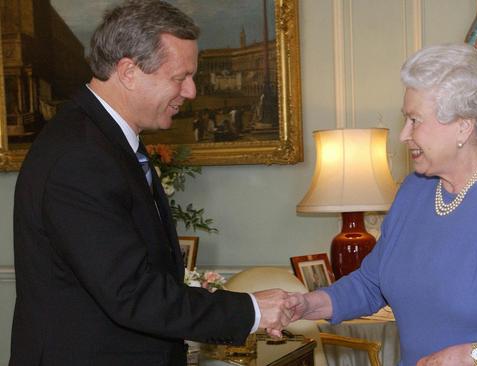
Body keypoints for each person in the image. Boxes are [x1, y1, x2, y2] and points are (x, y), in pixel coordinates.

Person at [11, 1, 294, 365]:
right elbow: (130, 293)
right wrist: (251, 310)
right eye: (179, 77)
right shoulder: (79, 156)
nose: (190, 91)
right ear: (128, 71)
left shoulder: (103, 139)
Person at [289, 44, 477, 366]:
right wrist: (308, 305)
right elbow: (372, 282)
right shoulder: (414, 191)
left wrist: (473, 356)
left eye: (415, 120)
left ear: (463, 125)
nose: (403, 135)